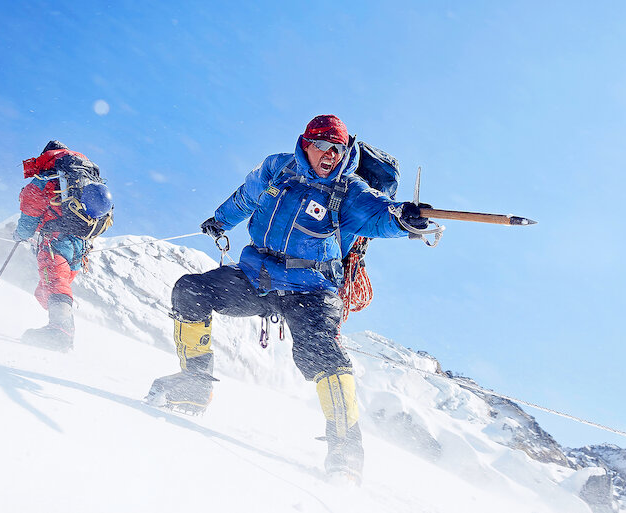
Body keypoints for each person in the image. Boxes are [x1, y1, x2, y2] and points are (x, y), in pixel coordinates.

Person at [144, 115, 432, 483]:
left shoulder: (350, 191)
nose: (330, 155)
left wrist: (406, 218)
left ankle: (345, 450)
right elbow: (246, 197)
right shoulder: (277, 169)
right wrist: (219, 220)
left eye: (338, 149)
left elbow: (381, 215)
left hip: (311, 290)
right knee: (191, 290)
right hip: (257, 277)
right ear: (306, 143)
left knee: (324, 356)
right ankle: (193, 387)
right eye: (323, 146)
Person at [14, 140, 112, 351]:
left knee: (54, 284)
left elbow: (30, 211)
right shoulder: (82, 176)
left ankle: (59, 332)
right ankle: (65, 329)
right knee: (46, 290)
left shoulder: (46, 176)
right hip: (81, 246)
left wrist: (20, 234)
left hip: (55, 241)